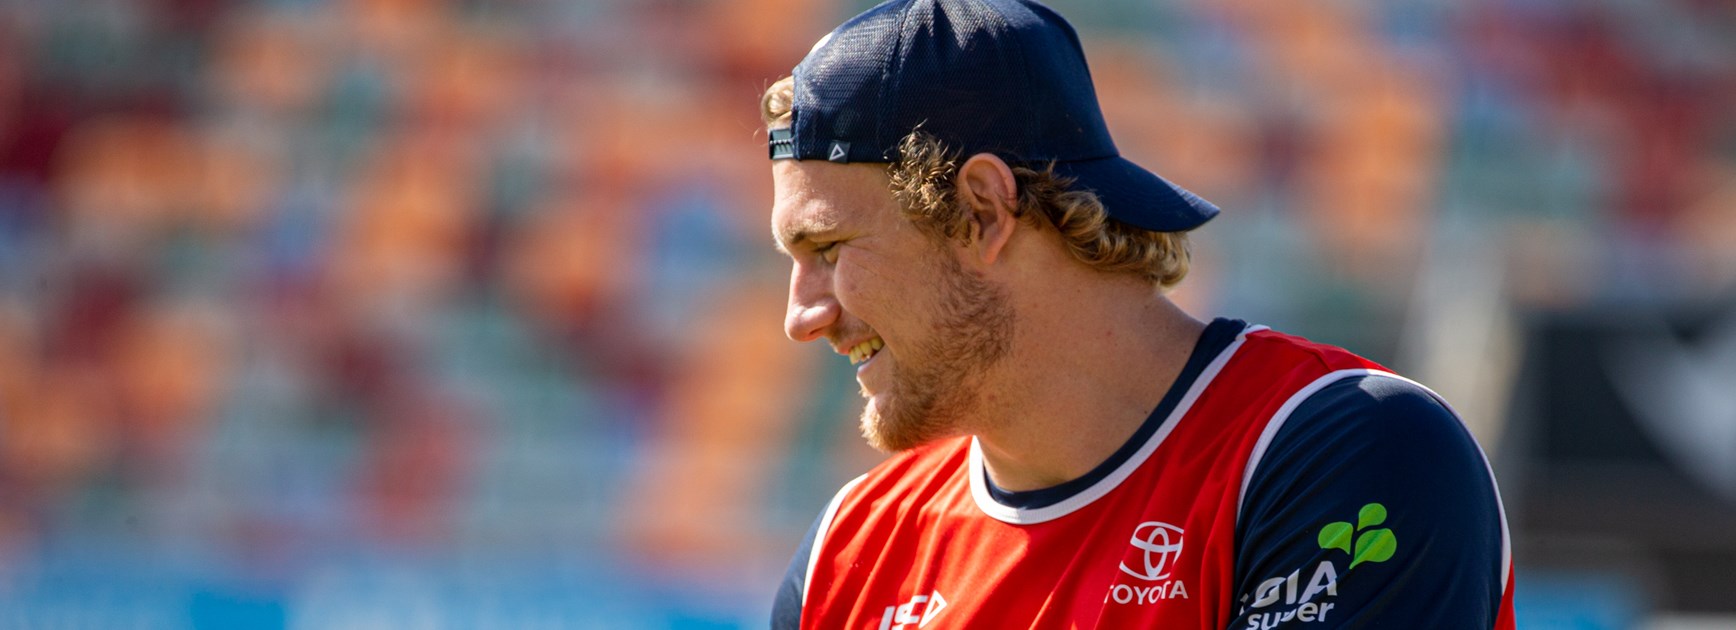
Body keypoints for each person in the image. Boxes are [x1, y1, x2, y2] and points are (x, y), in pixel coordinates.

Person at [760, 0, 1515, 627]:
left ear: (984, 211)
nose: (801, 316)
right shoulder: (845, 556)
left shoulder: (1348, 450)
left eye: (827, 247)